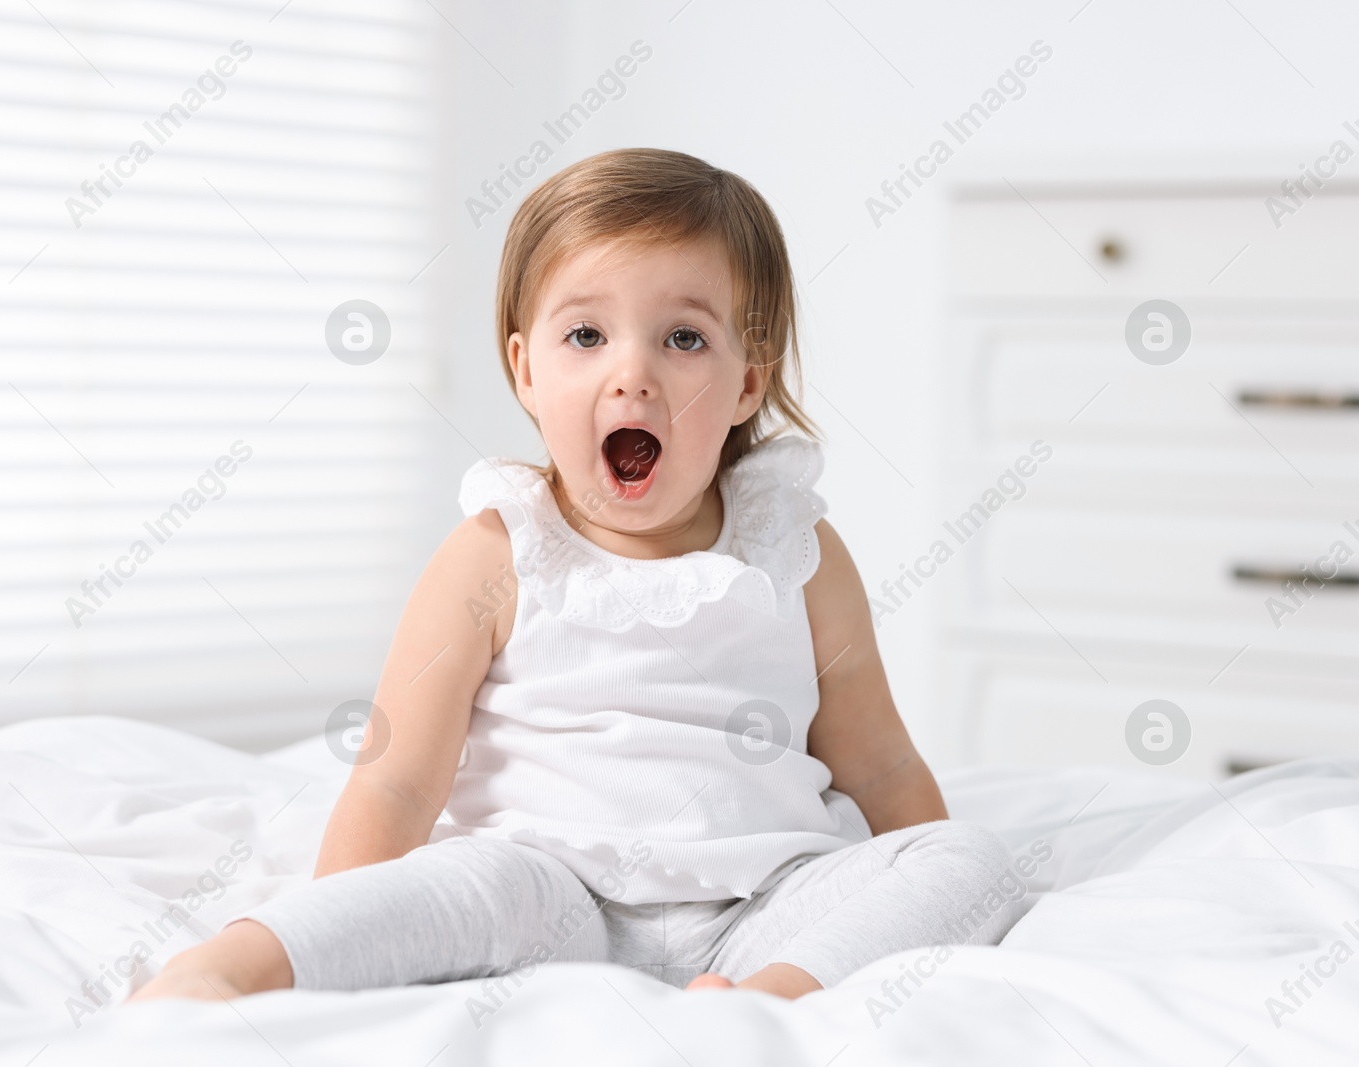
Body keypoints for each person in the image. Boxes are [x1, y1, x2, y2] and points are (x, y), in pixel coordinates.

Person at [129, 147, 1022, 1004]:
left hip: (761, 903)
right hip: (554, 894)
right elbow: (397, 783)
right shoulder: (501, 549)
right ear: (526, 368)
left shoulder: (793, 551)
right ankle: (235, 966)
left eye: (683, 337)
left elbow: (881, 761)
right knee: (459, 883)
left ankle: (770, 1000)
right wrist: (336, 922)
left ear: (749, 382)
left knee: (967, 861)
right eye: (586, 334)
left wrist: (917, 871)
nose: (631, 374)